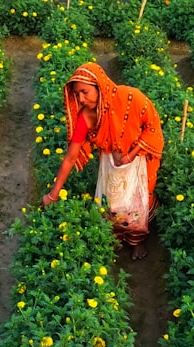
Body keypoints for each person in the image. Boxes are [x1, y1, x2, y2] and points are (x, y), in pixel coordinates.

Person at [42, 62, 164, 260]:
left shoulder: (131, 98)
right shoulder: (87, 117)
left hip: (137, 159)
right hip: (110, 166)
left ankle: (137, 242)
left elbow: (152, 127)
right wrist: (53, 194)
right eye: (77, 94)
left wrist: (130, 155)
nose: (81, 99)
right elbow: (71, 157)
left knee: (136, 204)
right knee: (112, 205)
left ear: (100, 86)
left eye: (85, 92)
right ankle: (115, 240)